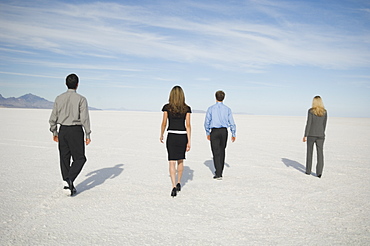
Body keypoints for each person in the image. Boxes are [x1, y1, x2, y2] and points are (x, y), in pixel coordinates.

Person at [49, 74, 91, 196]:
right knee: (80, 158)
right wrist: (87, 134)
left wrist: (54, 131)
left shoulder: (59, 98)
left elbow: (53, 117)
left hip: (63, 131)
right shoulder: (81, 99)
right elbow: (85, 119)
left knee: (64, 158)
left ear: (66, 84)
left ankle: (68, 185)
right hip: (76, 131)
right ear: (77, 84)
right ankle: (68, 180)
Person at [160, 86, 191, 197]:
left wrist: (161, 133)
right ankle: (179, 183)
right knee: (180, 161)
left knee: (171, 161)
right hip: (182, 136)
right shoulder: (186, 108)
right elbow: (188, 125)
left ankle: (173, 186)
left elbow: (164, 123)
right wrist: (189, 140)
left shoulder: (167, 107)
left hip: (172, 135)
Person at [204, 90, 236, 180]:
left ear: (215, 97)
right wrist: (233, 133)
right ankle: (219, 171)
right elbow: (232, 122)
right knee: (222, 150)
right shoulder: (227, 109)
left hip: (214, 131)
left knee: (216, 151)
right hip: (223, 132)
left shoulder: (211, 109)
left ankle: (218, 173)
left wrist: (207, 132)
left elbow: (207, 121)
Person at [303, 95, 327, 178]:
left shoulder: (311, 111)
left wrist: (305, 135)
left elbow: (308, 123)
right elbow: (324, 124)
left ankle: (308, 171)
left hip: (311, 135)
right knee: (320, 154)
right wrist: (322, 132)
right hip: (321, 135)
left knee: (309, 153)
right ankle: (319, 173)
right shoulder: (324, 112)